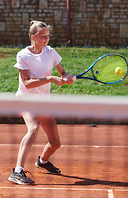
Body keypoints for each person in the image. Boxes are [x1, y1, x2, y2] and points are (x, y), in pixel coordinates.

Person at [8, 20, 75, 185]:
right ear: (33, 37)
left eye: (48, 36)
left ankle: (42, 161)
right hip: (26, 97)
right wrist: (50, 79)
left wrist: (67, 78)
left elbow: (63, 72)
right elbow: (27, 83)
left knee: (55, 143)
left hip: (43, 101)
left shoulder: (50, 52)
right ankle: (17, 171)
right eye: (42, 36)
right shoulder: (23, 55)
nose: (46, 39)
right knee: (34, 128)